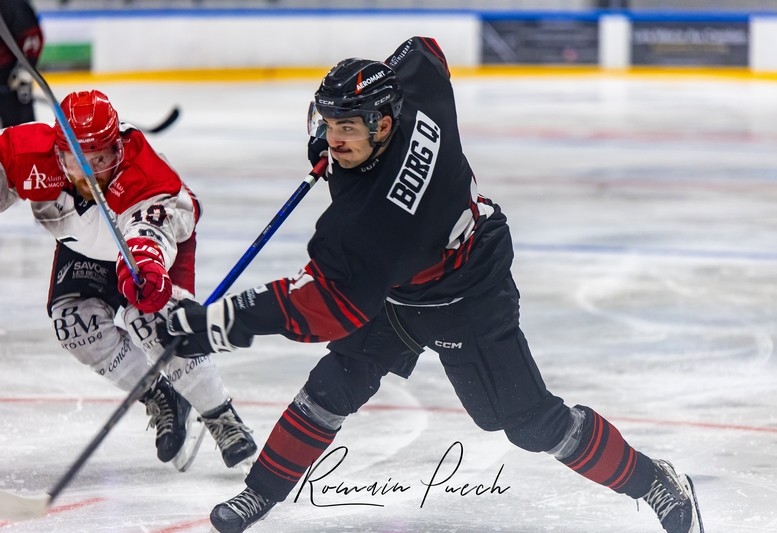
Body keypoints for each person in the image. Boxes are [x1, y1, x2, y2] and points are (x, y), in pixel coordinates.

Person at [164, 36, 704, 533]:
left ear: (382, 123)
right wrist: (334, 133)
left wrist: (214, 325)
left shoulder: (371, 223)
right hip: (408, 281)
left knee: (530, 424)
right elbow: (424, 50)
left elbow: (321, 309)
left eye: (348, 127)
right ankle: (261, 492)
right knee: (335, 384)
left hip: (466, 295)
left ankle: (657, 481)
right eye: (329, 124)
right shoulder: (416, 92)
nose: (335, 138)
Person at [0, 90, 258, 471]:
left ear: (117, 147)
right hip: (84, 248)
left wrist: (147, 273)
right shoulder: (25, 152)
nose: (91, 172)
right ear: (58, 152)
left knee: (157, 324)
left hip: (152, 250)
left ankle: (221, 415)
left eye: (101, 158)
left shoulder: (145, 176)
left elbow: (147, 238)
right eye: (77, 161)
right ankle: (161, 395)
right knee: (76, 327)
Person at [0, 0, 43, 127]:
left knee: (21, 130)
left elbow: (33, 37)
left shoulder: (13, 5)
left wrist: (25, 69)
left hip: (10, 76)